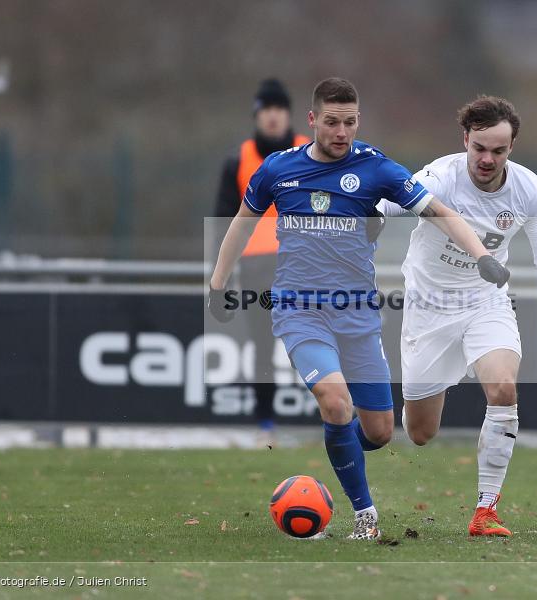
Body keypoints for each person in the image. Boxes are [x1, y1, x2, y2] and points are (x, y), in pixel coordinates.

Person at [208, 78, 510, 539]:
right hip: (299, 311)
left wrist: (483, 257)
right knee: (335, 403)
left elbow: (441, 212)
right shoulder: (277, 170)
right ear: (312, 121)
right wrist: (217, 284)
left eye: (349, 122)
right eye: (331, 122)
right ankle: (364, 515)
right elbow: (240, 225)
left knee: (381, 430)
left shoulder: (376, 168)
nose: (341, 131)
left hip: (358, 316)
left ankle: (340, 449)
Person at [377, 95, 537, 537]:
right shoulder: (437, 178)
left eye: (498, 151)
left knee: (504, 388)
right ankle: (409, 409)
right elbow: (383, 210)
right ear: (465, 139)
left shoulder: (528, 189)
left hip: (486, 301)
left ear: (512, 148)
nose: (487, 159)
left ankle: (486, 511)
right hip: (428, 309)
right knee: (420, 433)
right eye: (479, 148)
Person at [215, 79, 311, 446]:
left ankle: (335, 415)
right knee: (262, 346)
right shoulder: (239, 160)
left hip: (305, 263)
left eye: (279, 109)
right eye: (266, 110)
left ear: (289, 114)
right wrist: (219, 279)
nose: (273, 116)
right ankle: (265, 424)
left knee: (318, 337)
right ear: (257, 115)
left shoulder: (312, 151)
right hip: (256, 268)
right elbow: (223, 221)